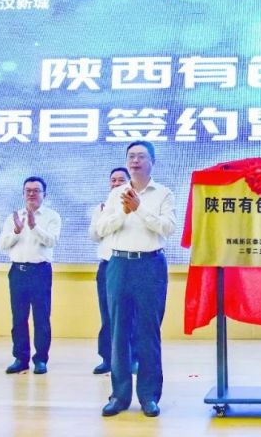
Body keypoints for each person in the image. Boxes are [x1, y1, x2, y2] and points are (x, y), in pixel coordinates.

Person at [97, 141, 176, 418]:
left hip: (150, 266)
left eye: (141, 156)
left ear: (152, 161)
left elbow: (168, 228)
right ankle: (119, 396)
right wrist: (124, 212)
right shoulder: (116, 194)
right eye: (131, 156)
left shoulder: (163, 193)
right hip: (119, 264)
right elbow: (100, 230)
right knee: (118, 332)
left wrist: (140, 208)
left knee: (148, 332)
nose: (135, 160)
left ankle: (149, 396)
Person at [0, 176, 61, 375]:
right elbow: (2, 244)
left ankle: (41, 359)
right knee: (19, 317)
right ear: (23, 193)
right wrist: (16, 231)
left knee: (41, 318)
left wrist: (34, 226)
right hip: (17, 272)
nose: (32, 194)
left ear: (44, 194)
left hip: (40, 272)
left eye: (36, 190)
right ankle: (20, 358)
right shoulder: (14, 216)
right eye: (28, 190)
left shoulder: (52, 216)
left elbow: (51, 241)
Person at [89, 167, 138, 375]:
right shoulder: (102, 207)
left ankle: (132, 359)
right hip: (107, 265)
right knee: (107, 315)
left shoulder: (136, 205)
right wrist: (105, 218)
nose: (116, 183)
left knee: (131, 315)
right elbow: (94, 235)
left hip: (129, 265)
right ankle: (108, 359)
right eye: (113, 180)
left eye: (121, 180)